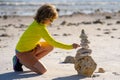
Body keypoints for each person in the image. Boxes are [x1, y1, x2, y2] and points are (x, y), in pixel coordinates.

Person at [12, 4, 80, 75]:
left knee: (50, 46)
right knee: (42, 71)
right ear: (45, 17)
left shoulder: (38, 23)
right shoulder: (40, 28)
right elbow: (54, 42)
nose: (51, 22)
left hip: (33, 48)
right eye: (51, 20)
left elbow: (51, 43)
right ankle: (19, 61)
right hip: (23, 53)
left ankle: (30, 61)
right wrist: (71, 46)